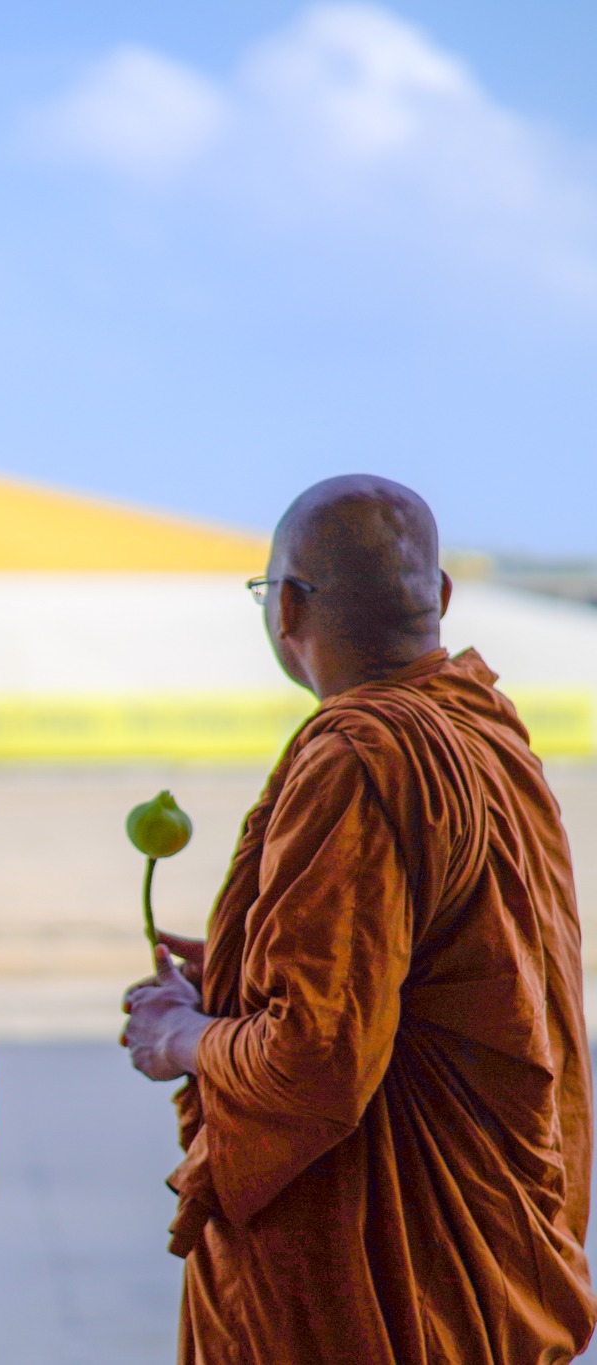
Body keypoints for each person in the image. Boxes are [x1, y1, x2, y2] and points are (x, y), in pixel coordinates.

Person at [123, 474, 594, 1363]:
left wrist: (182, 1033)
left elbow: (316, 1061)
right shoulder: (488, 734)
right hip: (488, 1252)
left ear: (289, 607)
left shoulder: (356, 761)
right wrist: (236, 971)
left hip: (383, 1292)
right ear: (442, 598)